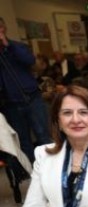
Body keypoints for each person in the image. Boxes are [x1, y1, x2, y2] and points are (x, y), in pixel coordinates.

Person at [0, 17, 51, 163]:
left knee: (43, 135)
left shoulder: (18, 46)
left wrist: (7, 45)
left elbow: (29, 60)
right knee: (23, 141)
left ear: (3, 29)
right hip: (11, 105)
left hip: (33, 99)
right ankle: (33, 170)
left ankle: (51, 165)